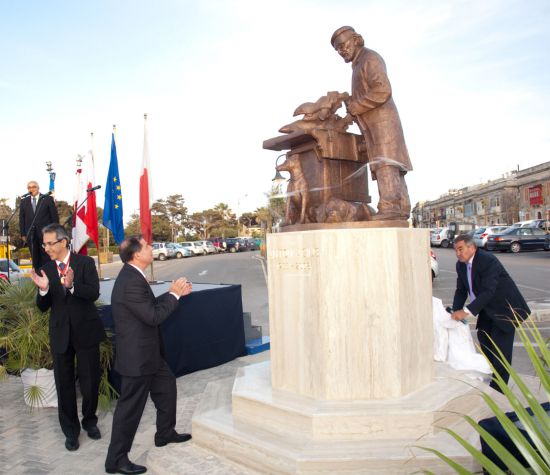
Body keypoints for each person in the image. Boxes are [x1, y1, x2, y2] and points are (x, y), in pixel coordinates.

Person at [105, 235, 193, 475]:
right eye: (147, 246)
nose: (152, 247)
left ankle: (165, 433)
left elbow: (148, 307)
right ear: (136, 254)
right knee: (129, 410)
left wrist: (174, 294)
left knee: (166, 387)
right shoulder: (131, 280)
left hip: (149, 354)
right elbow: (153, 316)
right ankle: (116, 460)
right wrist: (173, 294)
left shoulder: (133, 275)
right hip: (137, 358)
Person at [30, 223, 106, 451]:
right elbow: (43, 307)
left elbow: (93, 293)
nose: (46, 248)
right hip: (60, 334)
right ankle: (70, 431)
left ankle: (90, 422)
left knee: (90, 381)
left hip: (86, 331)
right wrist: (43, 290)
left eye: (50, 243)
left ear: (64, 241)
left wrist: (72, 286)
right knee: (64, 385)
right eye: (44, 244)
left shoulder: (85, 263)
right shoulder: (45, 269)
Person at [331, 26, 412, 221]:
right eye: (338, 49)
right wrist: (346, 117)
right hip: (374, 126)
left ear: (356, 40)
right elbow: (361, 100)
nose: (342, 50)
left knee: (386, 163)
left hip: (383, 124)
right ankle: (401, 207)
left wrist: (355, 105)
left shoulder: (370, 58)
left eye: (344, 45)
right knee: (387, 165)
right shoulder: (358, 65)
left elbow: (382, 90)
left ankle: (391, 207)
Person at [451, 234, 530, 392]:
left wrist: (465, 312)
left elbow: (489, 291)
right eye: (456, 250)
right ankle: (493, 377)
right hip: (487, 309)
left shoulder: (487, 260)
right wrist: (454, 310)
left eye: (460, 249)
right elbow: (461, 290)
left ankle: (499, 390)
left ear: (471, 247)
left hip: (506, 309)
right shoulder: (460, 265)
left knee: (501, 352)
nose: (458, 253)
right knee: (484, 341)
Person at [19, 180, 59, 270]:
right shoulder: (24, 201)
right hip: (31, 235)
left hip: (46, 234)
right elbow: (21, 219)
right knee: (35, 258)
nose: (31, 189)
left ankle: (49, 277)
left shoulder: (47, 199)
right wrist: (23, 234)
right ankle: (38, 279)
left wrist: (56, 231)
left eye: (33, 187)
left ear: (38, 188)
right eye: (29, 187)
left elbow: (54, 216)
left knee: (46, 256)